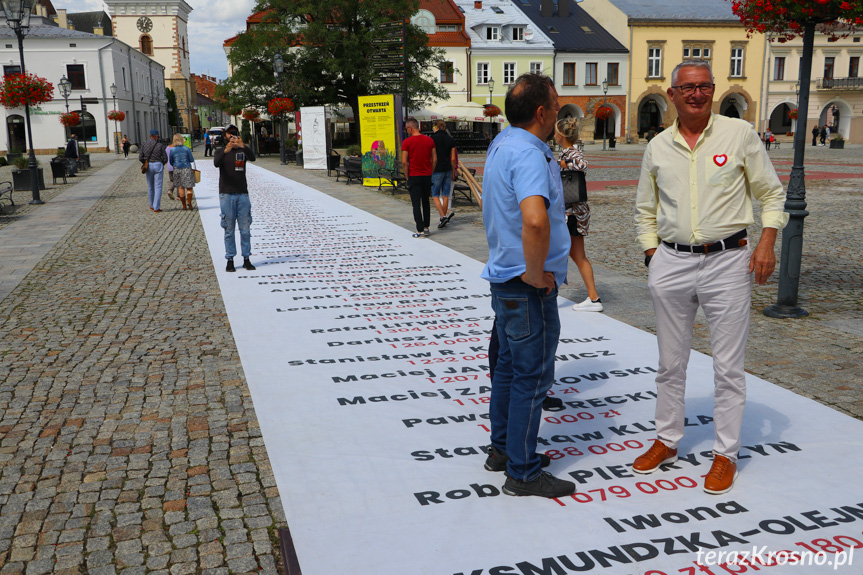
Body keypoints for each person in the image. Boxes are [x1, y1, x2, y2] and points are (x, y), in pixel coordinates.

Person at [633, 59, 788, 495]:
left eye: (703, 87)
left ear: (713, 90)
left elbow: (771, 193)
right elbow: (645, 208)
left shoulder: (738, 135)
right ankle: (666, 440)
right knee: (670, 362)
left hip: (727, 261)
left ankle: (725, 453)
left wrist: (767, 241)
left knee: (728, 367)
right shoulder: (658, 146)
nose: (696, 94)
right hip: (672, 261)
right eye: (687, 88)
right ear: (673, 94)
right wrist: (652, 254)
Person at [481, 72, 575, 499]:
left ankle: (503, 449)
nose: (559, 111)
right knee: (531, 378)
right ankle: (522, 470)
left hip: (504, 278)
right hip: (526, 284)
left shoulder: (502, 144)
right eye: (556, 105)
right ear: (541, 112)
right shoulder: (530, 154)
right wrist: (537, 275)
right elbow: (535, 219)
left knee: (506, 369)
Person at [555, 118, 602, 312]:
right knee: (574, 254)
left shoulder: (572, 152)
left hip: (573, 213)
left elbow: (582, 165)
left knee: (561, 253)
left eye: (555, 132)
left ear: (561, 135)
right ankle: (593, 298)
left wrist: (561, 163)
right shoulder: (566, 151)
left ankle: (592, 298)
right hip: (572, 211)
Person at [214, 124, 256, 272]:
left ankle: (246, 258)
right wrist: (226, 150)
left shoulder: (242, 150)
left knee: (245, 229)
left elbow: (253, 158)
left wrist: (243, 146)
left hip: (242, 193)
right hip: (226, 193)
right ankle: (230, 259)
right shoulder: (221, 151)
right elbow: (216, 163)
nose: (231, 136)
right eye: (229, 133)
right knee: (229, 229)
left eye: (234, 133)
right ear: (224, 136)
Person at [401, 118, 437, 238]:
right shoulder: (429, 140)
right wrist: (430, 171)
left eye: (407, 128)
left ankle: (419, 230)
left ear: (410, 128)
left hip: (414, 176)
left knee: (416, 204)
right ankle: (426, 227)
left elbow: (404, 162)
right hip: (426, 175)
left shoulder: (407, 142)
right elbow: (434, 159)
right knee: (426, 201)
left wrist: (407, 176)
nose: (407, 131)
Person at [430, 120, 457, 229]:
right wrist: (453, 170)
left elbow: (432, 157)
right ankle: (444, 217)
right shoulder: (450, 139)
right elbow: (453, 158)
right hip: (447, 169)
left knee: (435, 194)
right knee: (446, 194)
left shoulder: (432, 139)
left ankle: (442, 216)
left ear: (436, 127)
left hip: (437, 169)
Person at [139, 129, 168, 212]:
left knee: (150, 186)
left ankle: (151, 205)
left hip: (149, 165)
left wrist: (145, 163)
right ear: (157, 136)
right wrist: (161, 163)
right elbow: (165, 158)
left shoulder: (144, 144)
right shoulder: (160, 145)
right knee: (158, 186)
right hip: (158, 164)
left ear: (150, 136)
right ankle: (156, 207)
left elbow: (140, 157)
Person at [169, 133, 196, 210]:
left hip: (177, 169)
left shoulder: (172, 150)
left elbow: (171, 161)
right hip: (186, 168)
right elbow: (191, 159)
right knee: (189, 187)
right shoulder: (186, 148)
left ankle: (184, 205)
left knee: (180, 187)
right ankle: (189, 202)